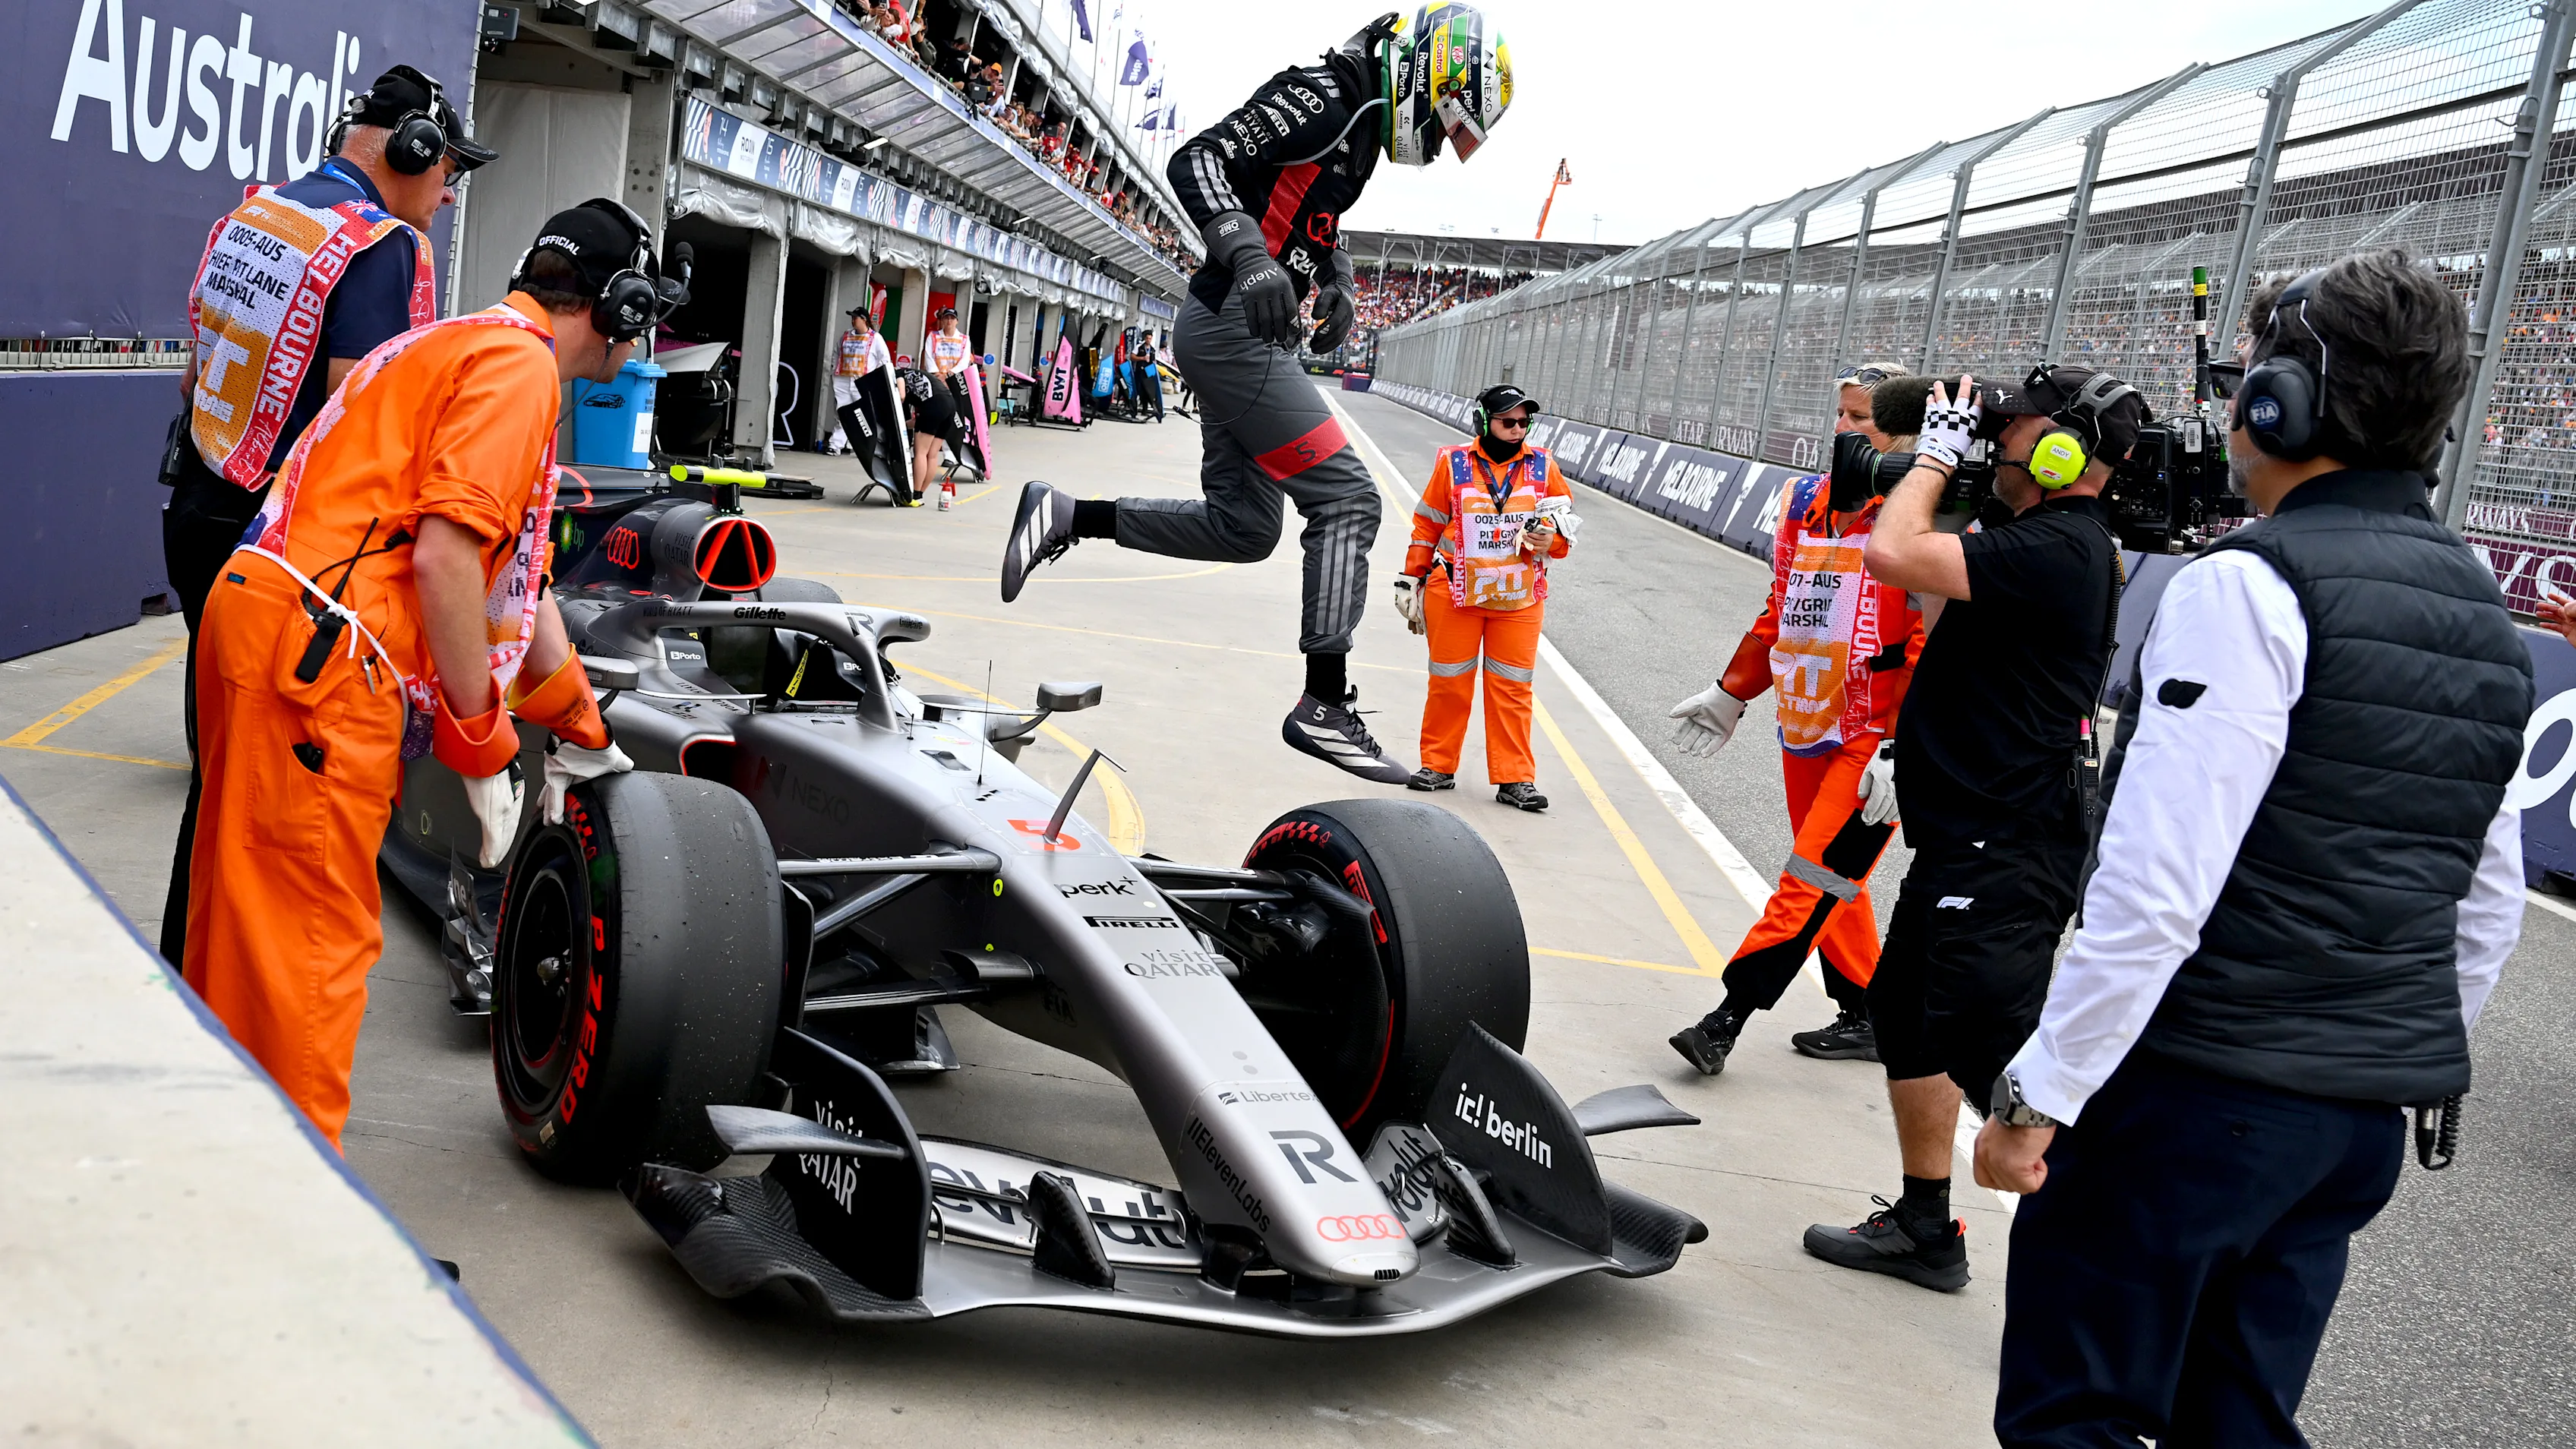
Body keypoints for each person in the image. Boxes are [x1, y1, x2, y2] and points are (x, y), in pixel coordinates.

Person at [1978, 251, 2533, 1447]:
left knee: (2073, 1417)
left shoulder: (2250, 585)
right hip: (2350, 1124)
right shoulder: (2482, 609)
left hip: (2195, 1099)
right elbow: (2488, 906)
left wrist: (2042, 1086)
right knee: (2238, 1424)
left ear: (2286, 399)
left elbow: (2156, 892)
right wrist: (2370, 1045)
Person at [183, 200, 671, 1146]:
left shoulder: (460, 341)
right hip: (321, 666)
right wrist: (482, 739)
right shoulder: (522, 371)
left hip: (263, 617)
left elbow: (510, 590)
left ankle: (221, 1175)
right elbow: (448, 561)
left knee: (243, 940)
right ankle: (296, 1225)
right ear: (617, 307)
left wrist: (577, 722)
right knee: (313, 952)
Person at [999, 6, 1512, 784]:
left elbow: (1313, 215)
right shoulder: (1328, 97)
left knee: (1243, 529)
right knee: (1347, 500)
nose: (1439, 147)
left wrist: (1335, 282)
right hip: (1231, 327)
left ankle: (1065, 514)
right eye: (1445, 127)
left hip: (1244, 333)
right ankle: (1325, 703)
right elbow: (1197, 159)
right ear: (1427, 77)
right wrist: (1248, 257)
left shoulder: (1364, 126)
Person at [1802, 361, 2139, 1292]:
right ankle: (1922, 1226)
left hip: (2010, 843)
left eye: (2014, 428)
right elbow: (1929, 587)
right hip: (1968, 832)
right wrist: (1941, 470)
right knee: (1908, 1022)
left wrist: (1933, 461)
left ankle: (2115, 1284)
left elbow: (1891, 555)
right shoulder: (2033, 532)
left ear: (2067, 448)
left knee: (2010, 1065)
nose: (1996, 441)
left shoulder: (2065, 544)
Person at [158, 65, 497, 971]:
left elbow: (196, 372)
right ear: (410, 148)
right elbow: (363, 417)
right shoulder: (378, 244)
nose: (451, 190)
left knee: (219, 773)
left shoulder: (257, 214)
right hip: (278, 549)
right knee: (261, 800)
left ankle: (187, 963)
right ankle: (220, 989)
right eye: (449, 168)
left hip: (199, 509)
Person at [1665, 365, 1927, 1072]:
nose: (1841, 429)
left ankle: (1727, 1018)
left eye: (1860, 419)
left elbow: (1933, 646)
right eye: (1840, 415)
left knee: (1809, 880)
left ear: (1902, 433)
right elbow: (1783, 604)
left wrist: (1905, 742)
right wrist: (1734, 690)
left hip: (1875, 739)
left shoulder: (1920, 517)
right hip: (1806, 721)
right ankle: (1866, 1011)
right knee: (1836, 881)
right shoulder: (1801, 501)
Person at [1395, 384, 1575, 811]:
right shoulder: (1452, 464)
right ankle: (1437, 766)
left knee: (1513, 688)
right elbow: (1428, 524)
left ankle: (1515, 779)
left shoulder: (1543, 467)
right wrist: (1410, 578)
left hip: (1518, 598)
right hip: (1455, 592)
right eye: (1507, 422)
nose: (1517, 430)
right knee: (1449, 682)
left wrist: (1551, 539)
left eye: (1523, 422)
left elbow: (1566, 532)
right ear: (1483, 421)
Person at [826, 304, 890, 456]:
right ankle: (836, 444)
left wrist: (877, 380)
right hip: (843, 379)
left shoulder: (876, 338)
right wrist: (834, 368)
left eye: (856, 318)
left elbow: (885, 360)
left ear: (864, 320)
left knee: (862, 414)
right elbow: (837, 352)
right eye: (852, 317)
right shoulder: (846, 335)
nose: (853, 320)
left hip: (862, 382)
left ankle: (860, 444)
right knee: (842, 412)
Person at [897, 362, 954, 504]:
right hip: (949, 405)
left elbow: (901, 396)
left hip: (933, 405)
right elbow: (922, 422)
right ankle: (919, 494)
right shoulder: (916, 375)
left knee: (921, 453)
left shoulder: (897, 374)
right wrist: (903, 425)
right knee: (932, 455)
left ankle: (912, 495)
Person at [1133, 330, 1165, 421]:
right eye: (1147, 338)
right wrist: (1142, 358)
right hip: (1140, 372)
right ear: (1145, 338)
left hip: (1148, 374)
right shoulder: (1139, 347)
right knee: (1139, 390)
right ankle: (1134, 408)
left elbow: (1154, 362)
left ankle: (1145, 409)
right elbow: (1132, 356)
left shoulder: (1153, 350)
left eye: (1150, 339)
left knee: (1148, 392)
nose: (1148, 340)